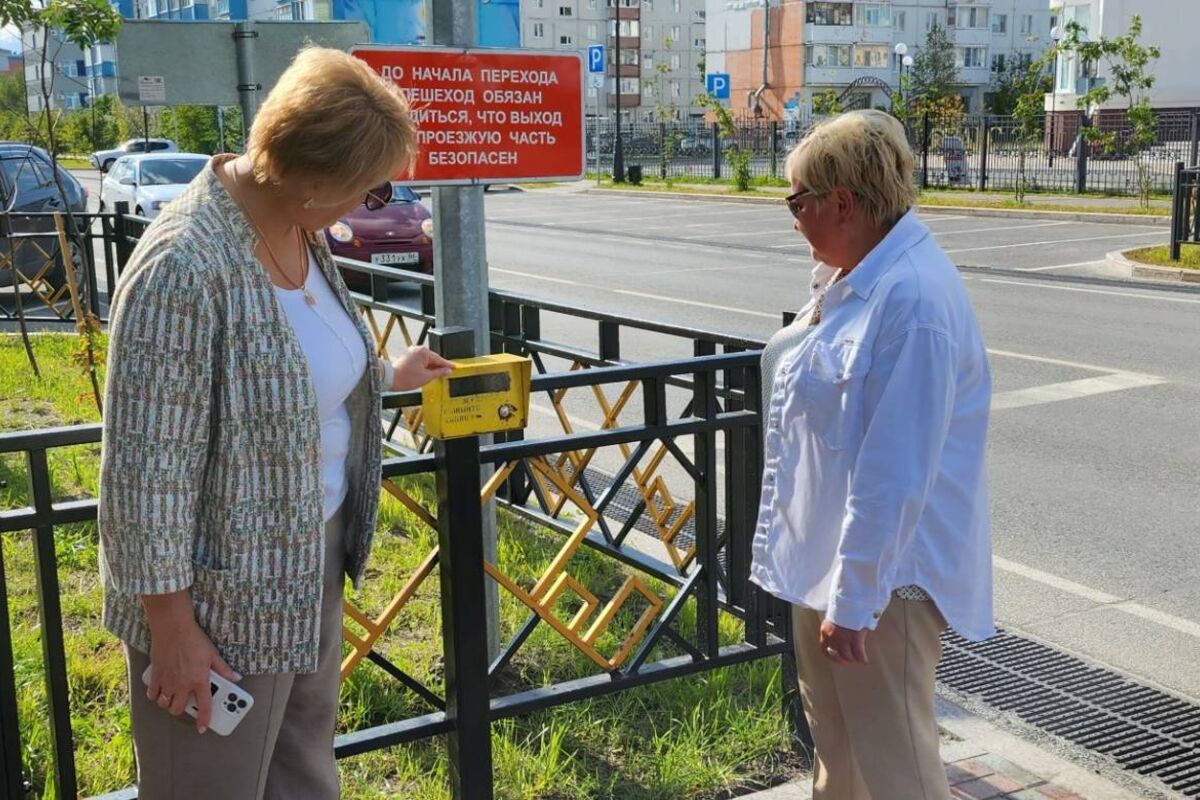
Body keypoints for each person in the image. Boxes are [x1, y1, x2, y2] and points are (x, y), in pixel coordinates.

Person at [97, 47, 454, 799]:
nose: (369, 203)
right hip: (217, 605)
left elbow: (278, 382)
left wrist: (383, 376)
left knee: (301, 774)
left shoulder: (297, 228)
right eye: (367, 187)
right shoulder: (184, 266)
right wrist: (173, 632)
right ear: (311, 178)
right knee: (211, 786)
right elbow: (142, 475)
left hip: (306, 568)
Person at [750, 109, 994, 800]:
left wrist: (854, 601)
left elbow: (894, 473)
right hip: (833, 566)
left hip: (884, 584)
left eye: (797, 202)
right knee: (841, 756)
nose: (792, 218)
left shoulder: (911, 300)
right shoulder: (853, 276)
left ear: (843, 204)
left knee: (897, 771)